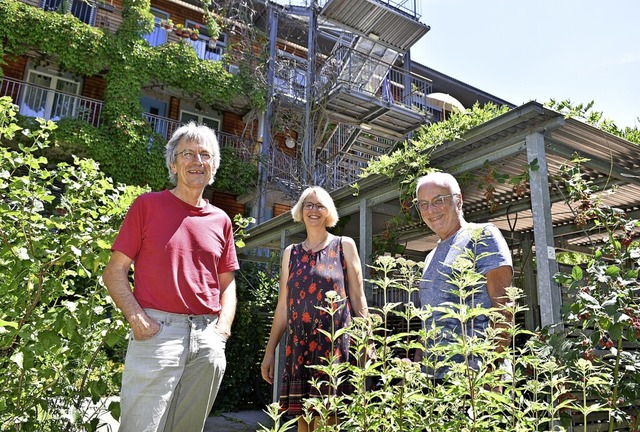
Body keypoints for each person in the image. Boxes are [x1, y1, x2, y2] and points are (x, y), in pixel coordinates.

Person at [102, 122, 239, 432]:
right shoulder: (147, 206)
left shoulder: (221, 220)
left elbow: (227, 284)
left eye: (205, 154)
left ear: (213, 166)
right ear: (173, 164)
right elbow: (114, 272)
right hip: (157, 332)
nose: (197, 161)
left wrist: (222, 332)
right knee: (141, 427)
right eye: (187, 153)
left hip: (207, 338)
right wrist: (137, 318)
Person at [260, 186, 368, 432]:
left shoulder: (344, 245)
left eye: (320, 205)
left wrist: (367, 341)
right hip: (299, 346)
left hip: (333, 346)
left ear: (329, 212)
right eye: (308, 204)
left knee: (330, 419)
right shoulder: (291, 253)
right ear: (300, 210)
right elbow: (283, 307)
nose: (314, 210)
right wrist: (269, 351)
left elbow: (358, 298)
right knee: (304, 420)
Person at [414, 172, 513, 379]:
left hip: (475, 379)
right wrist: (416, 372)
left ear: (458, 200)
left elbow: (503, 308)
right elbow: (428, 324)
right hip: (434, 383)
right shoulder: (430, 257)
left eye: (438, 201)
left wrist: (490, 374)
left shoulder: (482, 236)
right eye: (423, 204)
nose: (431, 210)